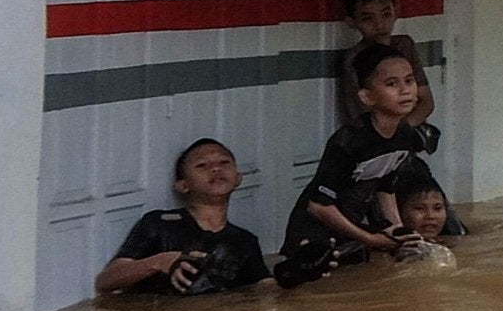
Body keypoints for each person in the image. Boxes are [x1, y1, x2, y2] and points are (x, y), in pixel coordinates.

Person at [281, 42, 444, 277]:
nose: (405, 90)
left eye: (409, 81)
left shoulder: (405, 136)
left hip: (352, 231)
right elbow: (318, 207)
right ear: (367, 97)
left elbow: (386, 187)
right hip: (313, 237)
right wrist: (371, 239)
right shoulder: (348, 141)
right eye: (391, 84)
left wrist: (398, 230)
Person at [95, 139, 275, 295]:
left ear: (238, 178)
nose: (215, 168)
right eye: (202, 165)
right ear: (183, 185)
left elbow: (264, 288)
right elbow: (106, 281)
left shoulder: (244, 240)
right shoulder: (159, 224)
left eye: (224, 162)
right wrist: (160, 262)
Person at [336, 0, 433, 129]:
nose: (379, 24)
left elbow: (426, 102)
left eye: (386, 14)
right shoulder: (354, 59)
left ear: (396, 12)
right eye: (368, 18)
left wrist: (403, 132)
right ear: (351, 22)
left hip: (408, 135)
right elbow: (362, 115)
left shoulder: (404, 45)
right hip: (374, 143)